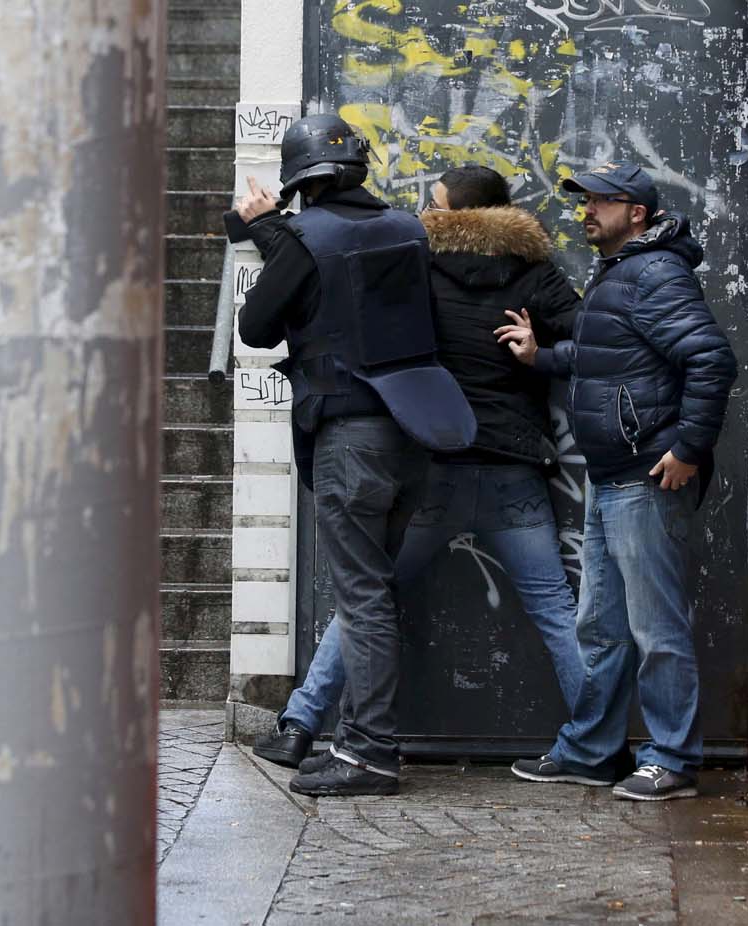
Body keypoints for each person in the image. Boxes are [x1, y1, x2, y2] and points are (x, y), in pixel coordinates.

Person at [253, 165, 589, 772]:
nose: (423, 210)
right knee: (556, 612)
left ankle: (300, 724)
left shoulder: (417, 270)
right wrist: (542, 355)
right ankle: (595, 742)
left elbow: (329, 285)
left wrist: (269, 231)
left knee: (365, 597)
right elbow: (596, 340)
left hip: (436, 466)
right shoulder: (536, 275)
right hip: (514, 472)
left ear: (452, 214)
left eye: (433, 203)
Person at [235, 114, 477, 797]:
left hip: (350, 434)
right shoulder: (407, 227)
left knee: (363, 598)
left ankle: (369, 753)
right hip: (415, 431)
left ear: (299, 182)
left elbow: (257, 327)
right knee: (375, 592)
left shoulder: (304, 236)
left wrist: (270, 232)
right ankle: (359, 743)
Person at [496, 162, 738, 801]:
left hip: (647, 478)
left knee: (655, 629)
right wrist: (540, 356)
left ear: (636, 212)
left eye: (601, 202)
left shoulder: (654, 273)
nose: (586, 211)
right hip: (612, 479)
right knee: (600, 628)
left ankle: (673, 760)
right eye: (584, 201)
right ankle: (592, 751)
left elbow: (712, 358)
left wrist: (688, 448)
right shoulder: (621, 273)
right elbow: (608, 354)